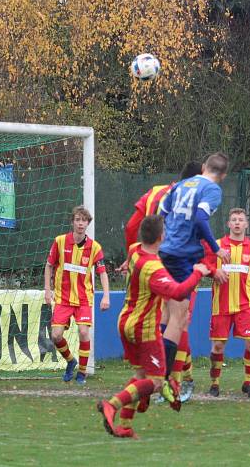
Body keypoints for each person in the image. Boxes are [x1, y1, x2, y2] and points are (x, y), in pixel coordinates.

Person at [97, 215, 210, 438]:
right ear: (161, 237)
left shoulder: (134, 250)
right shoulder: (153, 268)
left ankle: (126, 426)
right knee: (157, 381)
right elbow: (177, 292)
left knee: (140, 374)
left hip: (125, 321)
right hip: (144, 329)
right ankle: (112, 404)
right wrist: (199, 271)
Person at [121, 161, 201, 402]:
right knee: (180, 320)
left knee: (161, 321)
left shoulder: (155, 191)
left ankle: (158, 381)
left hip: (149, 262)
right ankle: (174, 383)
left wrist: (132, 257)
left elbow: (131, 226)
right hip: (180, 265)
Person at [157, 153, 230, 404]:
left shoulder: (179, 185)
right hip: (182, 258)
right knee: (180, 318)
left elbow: (160, 212)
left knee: (166, 316)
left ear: (203, 167)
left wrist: (163, 240)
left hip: (165, 252)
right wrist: (216, 247)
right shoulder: (212, 189)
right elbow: (200, 218)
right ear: (223, 175)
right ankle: (163, 380)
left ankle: (160, 375)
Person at [204, 208, 250, 398]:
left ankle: (248, 383)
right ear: (229, 224)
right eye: (234, 220)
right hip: (221, 304)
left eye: (241, 220)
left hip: (245, 304)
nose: (238, 223)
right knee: (217, 347)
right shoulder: (217, 246)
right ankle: (214, 384)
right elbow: (204, 265)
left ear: (246, 224)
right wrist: (213, 272)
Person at [44, 206, 110, 384]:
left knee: (83, 332)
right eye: (78, 220)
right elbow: (49, 265)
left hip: (83, 299)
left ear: (88, 223)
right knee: (56, 336)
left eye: (84, 220)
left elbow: (102, 272)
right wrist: (47, 291)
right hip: (63, 298)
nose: (81, 223)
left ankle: (82, 372)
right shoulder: (60, 242)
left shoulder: (95, 248)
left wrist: (106, 296)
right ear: (72, 222)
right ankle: (71, 361)